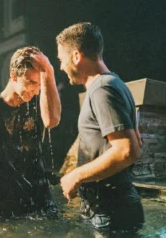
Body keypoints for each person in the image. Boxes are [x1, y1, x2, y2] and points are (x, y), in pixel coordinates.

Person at [57, 22, 144, 232]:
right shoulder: (113, 84)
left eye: (61, 59)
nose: (61, 66)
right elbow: (137, 141)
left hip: (111, 211)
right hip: (109, 208)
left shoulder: (102, 89)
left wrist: (75, 175)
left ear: (76, 56)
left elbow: (128, 150)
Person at [0, 46, 61, 220]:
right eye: (31, 82)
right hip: (6, 207)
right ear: (13, 76)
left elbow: (52, 120)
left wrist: (49, 70)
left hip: (44, 203)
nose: (36, 90)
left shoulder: (37, 103)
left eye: (40, 84)